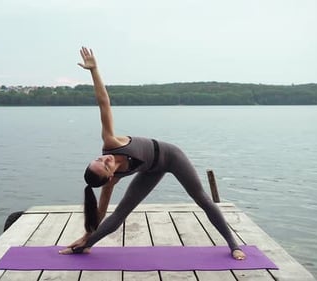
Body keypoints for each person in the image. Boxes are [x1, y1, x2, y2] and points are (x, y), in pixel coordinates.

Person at [58, 47, 246, 260]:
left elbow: (104, 103)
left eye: (100, 159)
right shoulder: (111, 182)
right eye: (106, 165)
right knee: (120, 215)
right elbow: (101, 213)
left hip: (172, 156)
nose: (106, 158)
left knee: (201, 198)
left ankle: (233, 245)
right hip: (150, 171)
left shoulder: (111, 142)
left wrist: (94, 70)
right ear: (110, 176)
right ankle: (84, 248)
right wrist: (87, 238)